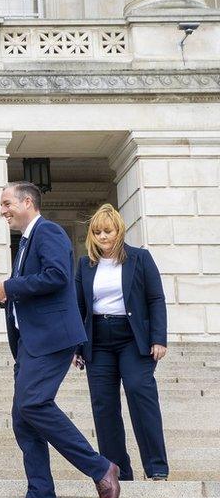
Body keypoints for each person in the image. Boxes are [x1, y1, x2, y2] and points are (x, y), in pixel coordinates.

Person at [0, 181, 120, 498]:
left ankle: (101, 469)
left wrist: (10, 287)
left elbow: (58, 276)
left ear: (27, 201)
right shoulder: (26, 242)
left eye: (7, 203)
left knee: (33, 404)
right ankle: (41, 495)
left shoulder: (48, 232)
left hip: (51, 339)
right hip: (31, 342)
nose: (3, 210)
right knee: (23, 418)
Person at [74, 204, 169, 481]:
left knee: (141, 393)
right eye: (97, 232)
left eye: (108, 231)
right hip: (99, 340)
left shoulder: (140, 258)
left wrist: (158, 338)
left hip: (133, 338)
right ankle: (117, 471)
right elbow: (79, 307)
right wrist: (77, 347)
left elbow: (156, 299)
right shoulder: (85, 264)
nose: (103, 237)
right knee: (104, 406)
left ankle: (156, 467)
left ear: (119, 231)